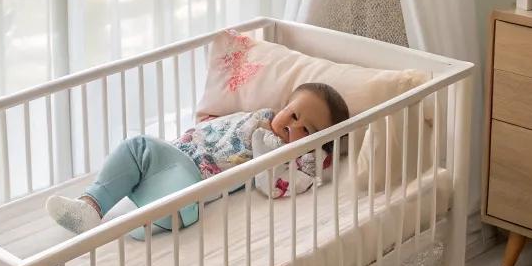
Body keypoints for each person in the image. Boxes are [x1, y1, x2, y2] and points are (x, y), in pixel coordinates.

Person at [46, 81, 350, 239]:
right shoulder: (259, 117)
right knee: (134, 149)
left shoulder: (282, 155)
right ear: (284, 106)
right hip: (172, 158)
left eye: (306, 131)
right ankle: (90, 206)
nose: (292, 127)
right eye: (293, 114)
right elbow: (216, 126)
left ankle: (144, 215)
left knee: (144, 153)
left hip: (191, 183)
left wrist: (316, 156)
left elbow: (271, 184)